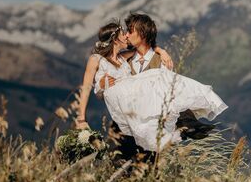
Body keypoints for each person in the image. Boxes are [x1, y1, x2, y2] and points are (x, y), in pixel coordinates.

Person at [76, 14, 228, 163]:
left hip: (144, 116)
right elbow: (87, 86)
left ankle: (189, 120)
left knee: (161, 77)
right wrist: (82, 117)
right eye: (124, 33)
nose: (127, 35)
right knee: (120, 163)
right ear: (116, 39)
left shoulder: (130, 57)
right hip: (123, 112)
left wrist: (161, 51)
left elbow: (144, 50)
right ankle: (187, 122)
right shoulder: (104, 59)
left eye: (129, 32)